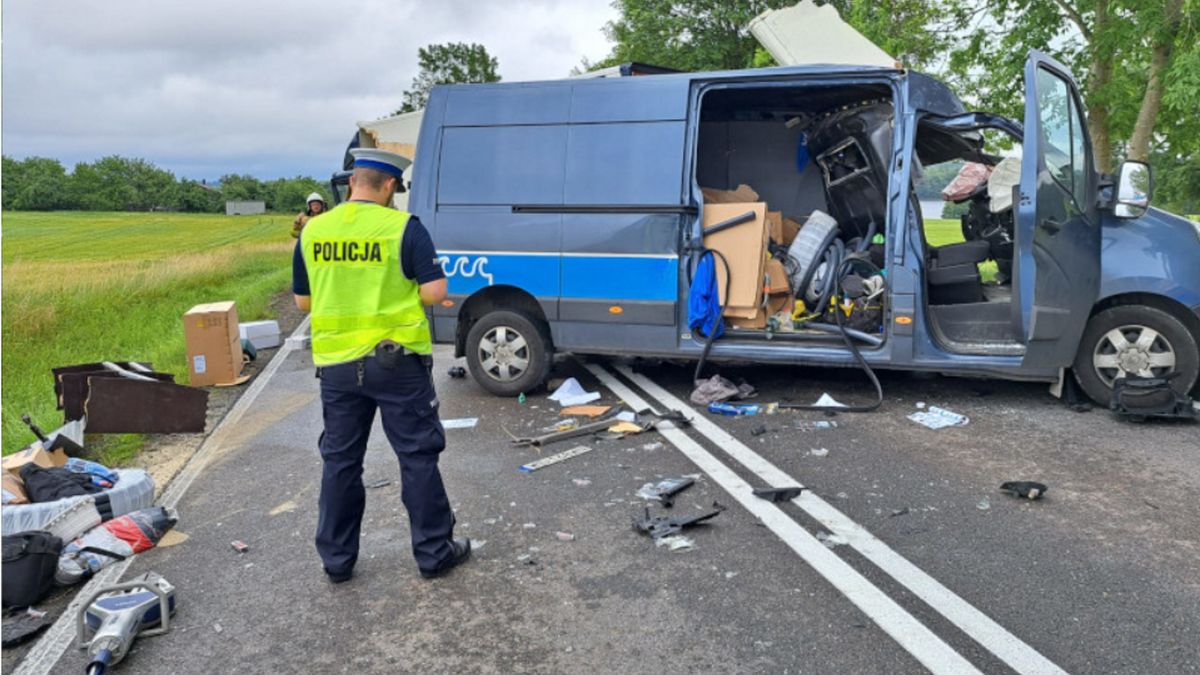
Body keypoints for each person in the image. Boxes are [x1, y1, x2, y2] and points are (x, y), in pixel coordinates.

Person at [292, 148, 469, 583]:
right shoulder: (403, 228)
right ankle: (433, 553)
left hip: (336, 365)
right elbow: (433, 291)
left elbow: (303, 301)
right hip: (397, 363)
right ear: (389, 186)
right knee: (416, 456)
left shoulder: (314, 231)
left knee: (340, 461)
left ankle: (337, 561)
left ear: (352, 182)